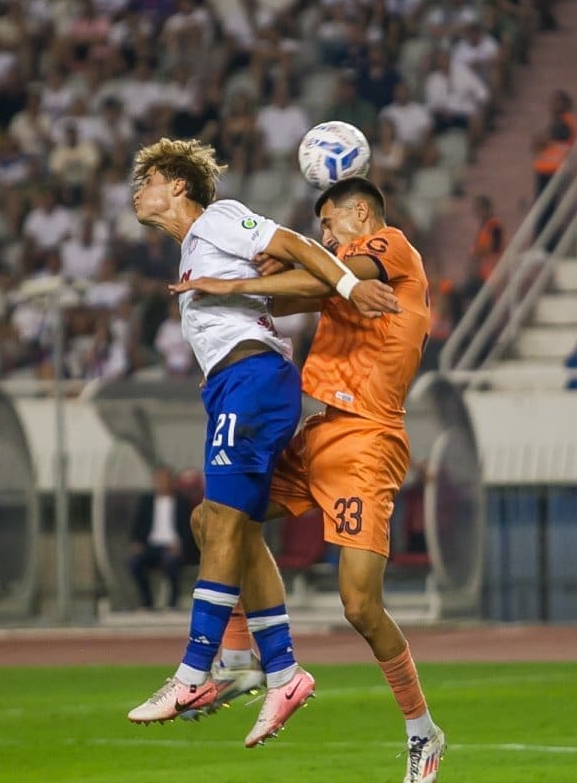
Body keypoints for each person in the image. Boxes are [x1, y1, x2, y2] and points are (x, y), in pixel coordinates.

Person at [124, 138, 398, 746]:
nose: (135, 191)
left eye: (147, 180)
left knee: (221, 520)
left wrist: (350, 288)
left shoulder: (218, 219)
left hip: (253, 381)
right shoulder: (194, 250)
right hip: (233, 384)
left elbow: (295, 245)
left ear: (178, 185)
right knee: (217, 523)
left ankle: (197, 670)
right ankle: (276, 669)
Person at [172, 177, 446, 782]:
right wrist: (238, 313)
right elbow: (294, 293)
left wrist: (238, 281)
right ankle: (243, 658)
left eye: (329, 225)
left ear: (359, 213)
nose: (324, 236)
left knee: (360, 605)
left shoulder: (392, 247)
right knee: (215, 518)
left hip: (368, 441)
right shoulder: (340, 273)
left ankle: (423, 732)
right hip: (320, 433)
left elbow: (318, 276)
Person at [129, 467, 194, 610]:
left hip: (173, 547)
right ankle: (147, 602)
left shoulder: (182, 503)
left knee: (171, 562)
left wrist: (181, 544)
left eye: (165, 479)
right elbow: (137, 526)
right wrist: (136, 543)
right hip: (150, 546)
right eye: (159, 480)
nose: (162, 483)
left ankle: (172, 602)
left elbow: (189, 529)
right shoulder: (146, 502)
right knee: (135, 563)